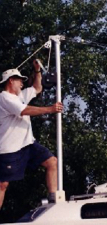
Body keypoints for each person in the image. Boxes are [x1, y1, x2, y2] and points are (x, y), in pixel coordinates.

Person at [0, 60, 63, 209]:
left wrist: (37, 71)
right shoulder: (4, 97)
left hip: (28, 144)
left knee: (52, 162)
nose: (22, 83)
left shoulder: (20, 95)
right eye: (20, 81)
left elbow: (37, 87)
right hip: (10, 148)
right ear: (11, 81)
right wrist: (50, 109)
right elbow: (24, 110)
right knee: (2, 184)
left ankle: (54, 201)